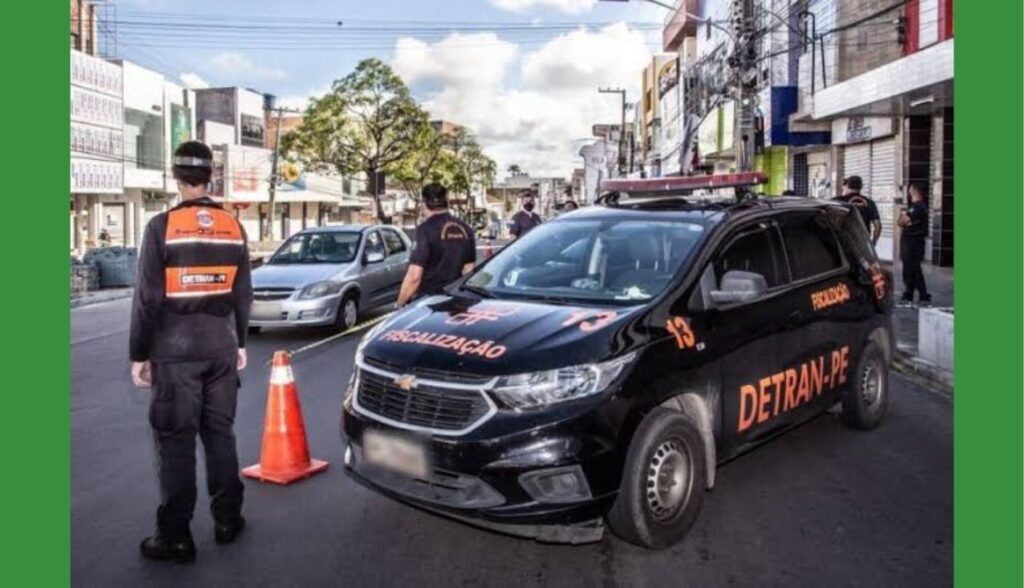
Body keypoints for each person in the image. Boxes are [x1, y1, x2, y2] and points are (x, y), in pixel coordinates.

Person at [129, 141, 252, 563]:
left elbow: (147, 299)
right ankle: (228, 519)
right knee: (220, 434)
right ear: (210, 176)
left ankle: (175, 536)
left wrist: (139, 354)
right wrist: (240, 344)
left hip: (174, 352)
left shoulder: (161, 227)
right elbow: (243, 293)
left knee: (175, 443)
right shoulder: (234, 226)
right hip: (220, 347)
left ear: (176, 176)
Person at [396, 183, 476, 307]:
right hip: (456, 301)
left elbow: (414, 275)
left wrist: (400, 303)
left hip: (429, 301)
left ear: (424, 204)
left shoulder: (424, 230)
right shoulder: (465, 229)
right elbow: (469, 270)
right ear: (447, 202)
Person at [897, 183, 931, 307]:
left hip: (912, 243)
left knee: (913, 270)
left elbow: (901, 222)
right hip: (914, 243)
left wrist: (903, 218)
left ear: (914, 192)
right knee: (910, 269)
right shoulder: (921, 207)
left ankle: (923, 296)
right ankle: (908, 295)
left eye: (910, 189)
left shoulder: (916, 208)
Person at [833, 175, 882, 244]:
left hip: (842, 243)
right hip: (863, 243)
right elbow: (878, 225)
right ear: (861, 186)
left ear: (847, 185)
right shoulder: (869, 203)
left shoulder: (836, 201)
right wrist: (873, 242)